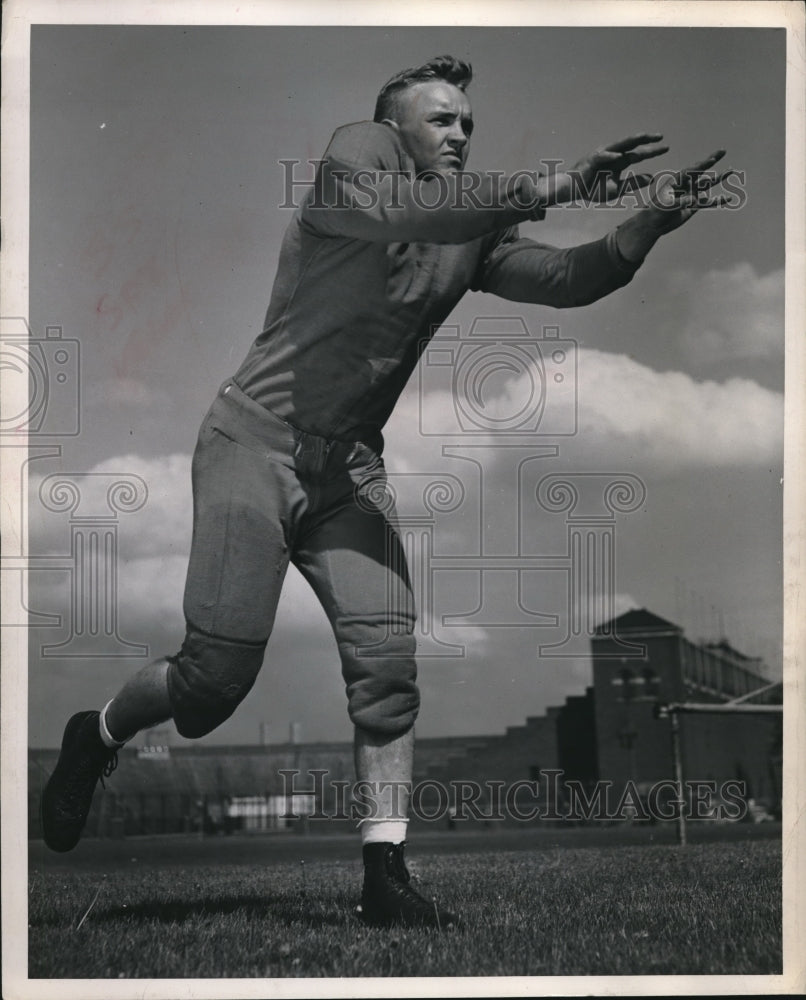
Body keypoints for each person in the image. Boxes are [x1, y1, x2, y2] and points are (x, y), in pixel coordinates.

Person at [41, 55, 730, 929]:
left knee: (388, 670)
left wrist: (650, 223)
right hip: (253, 442)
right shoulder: (350, 171)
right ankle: (94, 734)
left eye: (468, 123)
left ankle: (385, 875)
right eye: (440, 120)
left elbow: (565, 280)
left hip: (352, 468)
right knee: (212, 686)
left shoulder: (469, 221)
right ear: (390, 129)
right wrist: (551, 181)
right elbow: (408, 210)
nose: (460, 134)